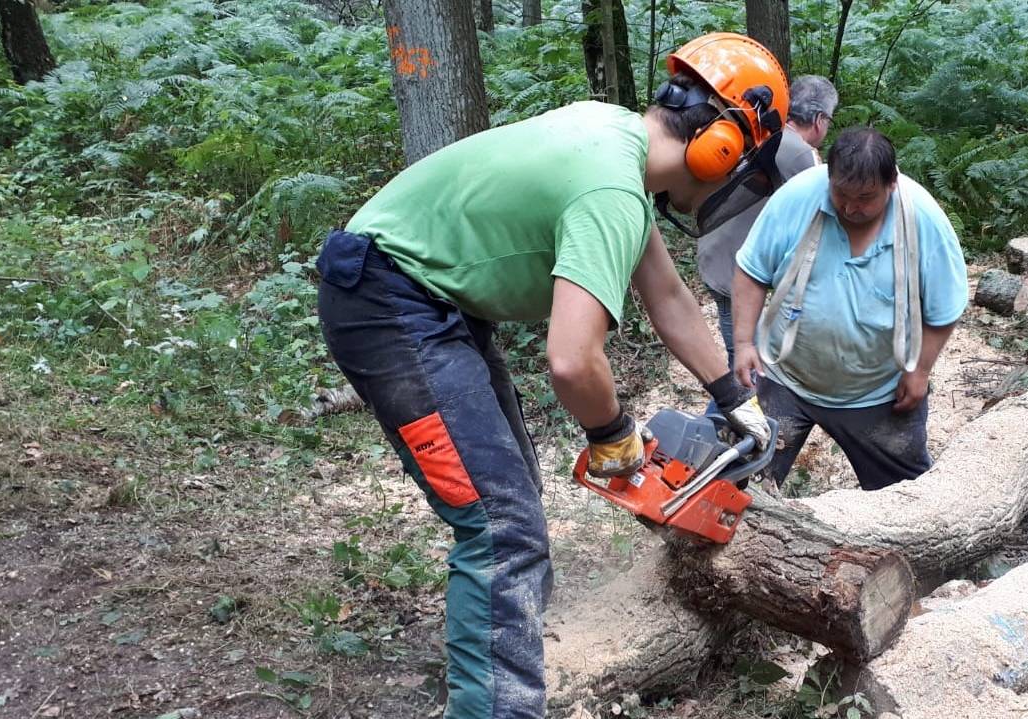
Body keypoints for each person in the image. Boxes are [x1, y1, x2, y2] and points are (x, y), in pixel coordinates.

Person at [316, 33, 784, 719]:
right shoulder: (611, 189)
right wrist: (613, 434)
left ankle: (503, 667)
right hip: (388, 301)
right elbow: (570, 360)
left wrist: (735, 399)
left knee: (512, 502)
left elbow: (670, 301)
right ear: (719, 147)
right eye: (737, 162)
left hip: (428, 299)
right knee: (500, 526)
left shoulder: (611, 140)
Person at [730, 127, 968, 491]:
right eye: (841, 193)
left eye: (865, 197)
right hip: (784, 373)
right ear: (830, 177)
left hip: (879, 391)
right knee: (738, 483)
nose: (851, 207)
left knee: (905, 499)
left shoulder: (922, 218)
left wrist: (919, 370)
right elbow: (752, 271)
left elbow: (944, 307)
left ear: (892, 184)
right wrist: (745, 343)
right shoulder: (798, 197)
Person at [696, 75, 838, 366]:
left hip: (714, 251)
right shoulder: (801, 154)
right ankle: (735, 406)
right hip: (734, 268)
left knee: (745, 351)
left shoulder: (764, 133)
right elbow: (827, 216)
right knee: (748, 362)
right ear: (820, 119)